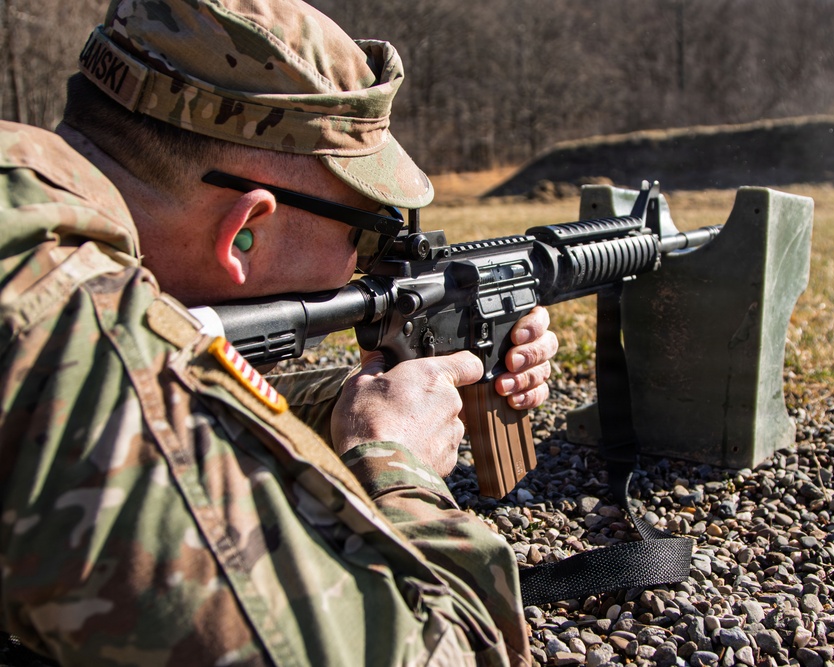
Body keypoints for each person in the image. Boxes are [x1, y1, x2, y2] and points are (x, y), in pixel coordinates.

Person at [0, 0, 558, 664]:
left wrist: (350, 403)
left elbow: (169, 380)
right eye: (367, 232)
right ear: (245, 228)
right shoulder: (86, 368)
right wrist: (393, 466)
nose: (365, 264)